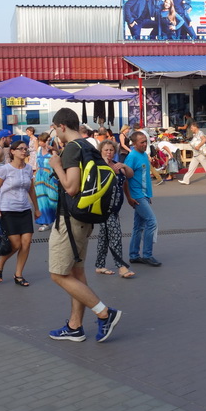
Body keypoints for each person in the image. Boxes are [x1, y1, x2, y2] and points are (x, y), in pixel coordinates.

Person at [46, 108, 122, 343]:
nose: (55, 133)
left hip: (69, 221)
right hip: (85, 219)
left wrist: (56, 164)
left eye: (54, 129)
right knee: (77, 273)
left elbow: (71, 187)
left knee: (58, 274)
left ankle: (104, 312)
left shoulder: (70, 149)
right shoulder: (89, 146)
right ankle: (75, 326)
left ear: (60, 126)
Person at [0, 140, 40, 286]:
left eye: (26, 149)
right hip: (8, 210)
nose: (24, 151)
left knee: (26, 243)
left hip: (24, 209)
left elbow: (31, 190)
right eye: (21, 149)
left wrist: (36, 208)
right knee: (16, 244)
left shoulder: (28, 168)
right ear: (12, 151)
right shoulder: (5, 169)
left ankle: (18, 275)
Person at [94, 140, 135, 278]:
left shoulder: (117, 166)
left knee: (104, 237)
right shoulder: (98, 166)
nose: (109, 153)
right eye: (106, 150)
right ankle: (121, 266)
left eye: (111, 150)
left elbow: (129, 177)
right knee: (115, 235)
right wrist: (106, 164)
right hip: (104, 208)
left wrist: (123, 165)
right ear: (101, 151)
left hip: (115, 207)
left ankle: (100, 265)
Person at [124, 130, 161, 267]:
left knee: (138, 226)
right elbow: (125, 179)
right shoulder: (132, 157)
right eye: (142, 142)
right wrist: (129, 197)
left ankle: (134, 255)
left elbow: (144, 178)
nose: (145, 144)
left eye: (146, 141)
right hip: (136, 195)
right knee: (151, 222)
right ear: (134, 144)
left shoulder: (144, 155)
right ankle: (147, 255)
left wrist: (147, 196)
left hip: (143, 195)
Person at [178, 122, 206, 186]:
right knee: (191, 168)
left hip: (200, 154)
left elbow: (204, 140)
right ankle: (186, 180)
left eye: (191, 128)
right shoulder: (195, 134)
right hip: (196, 154)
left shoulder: (200, 133)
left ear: (195, 127)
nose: (191, 129)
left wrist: (198, 146)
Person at [34, 132, 58, 232]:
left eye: (42, 141)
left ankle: (57, 220)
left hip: (50, 177)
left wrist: (51, 147)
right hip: (39, 177)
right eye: (39, 141)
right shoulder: (39, 150)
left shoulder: (53, 151)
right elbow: (37, 163)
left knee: (53, 199)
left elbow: (57, 160)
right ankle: (45, 222)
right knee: (42, 200)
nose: (40, 143)